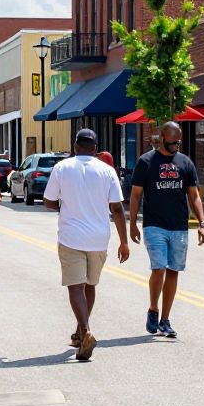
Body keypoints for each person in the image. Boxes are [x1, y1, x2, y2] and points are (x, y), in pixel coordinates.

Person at [43, 128, 129, 361]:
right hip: (99, 237)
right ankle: (81, 333)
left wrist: (66, 207)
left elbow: (49, 202)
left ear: (75, 146)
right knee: (90, 285)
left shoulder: (62, 168)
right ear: (95, 148)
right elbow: (118, 208)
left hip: (71, 236)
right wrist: (124, 242)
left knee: (75, 286)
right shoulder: (107, 170)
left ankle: (85, 331)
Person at [129, 121, 204, 339]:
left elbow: (194, 195)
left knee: (173, 270)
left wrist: (201, 223)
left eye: (179, 142)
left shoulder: (185, 163)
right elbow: (136, 195)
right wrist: (133, 223)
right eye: (173, 142)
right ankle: (153, 308)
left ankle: (165, 319)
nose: (176, 146)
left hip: (179, 226)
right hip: (154, 225)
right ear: (162, 138)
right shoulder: (146, 162)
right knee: (159, 268)